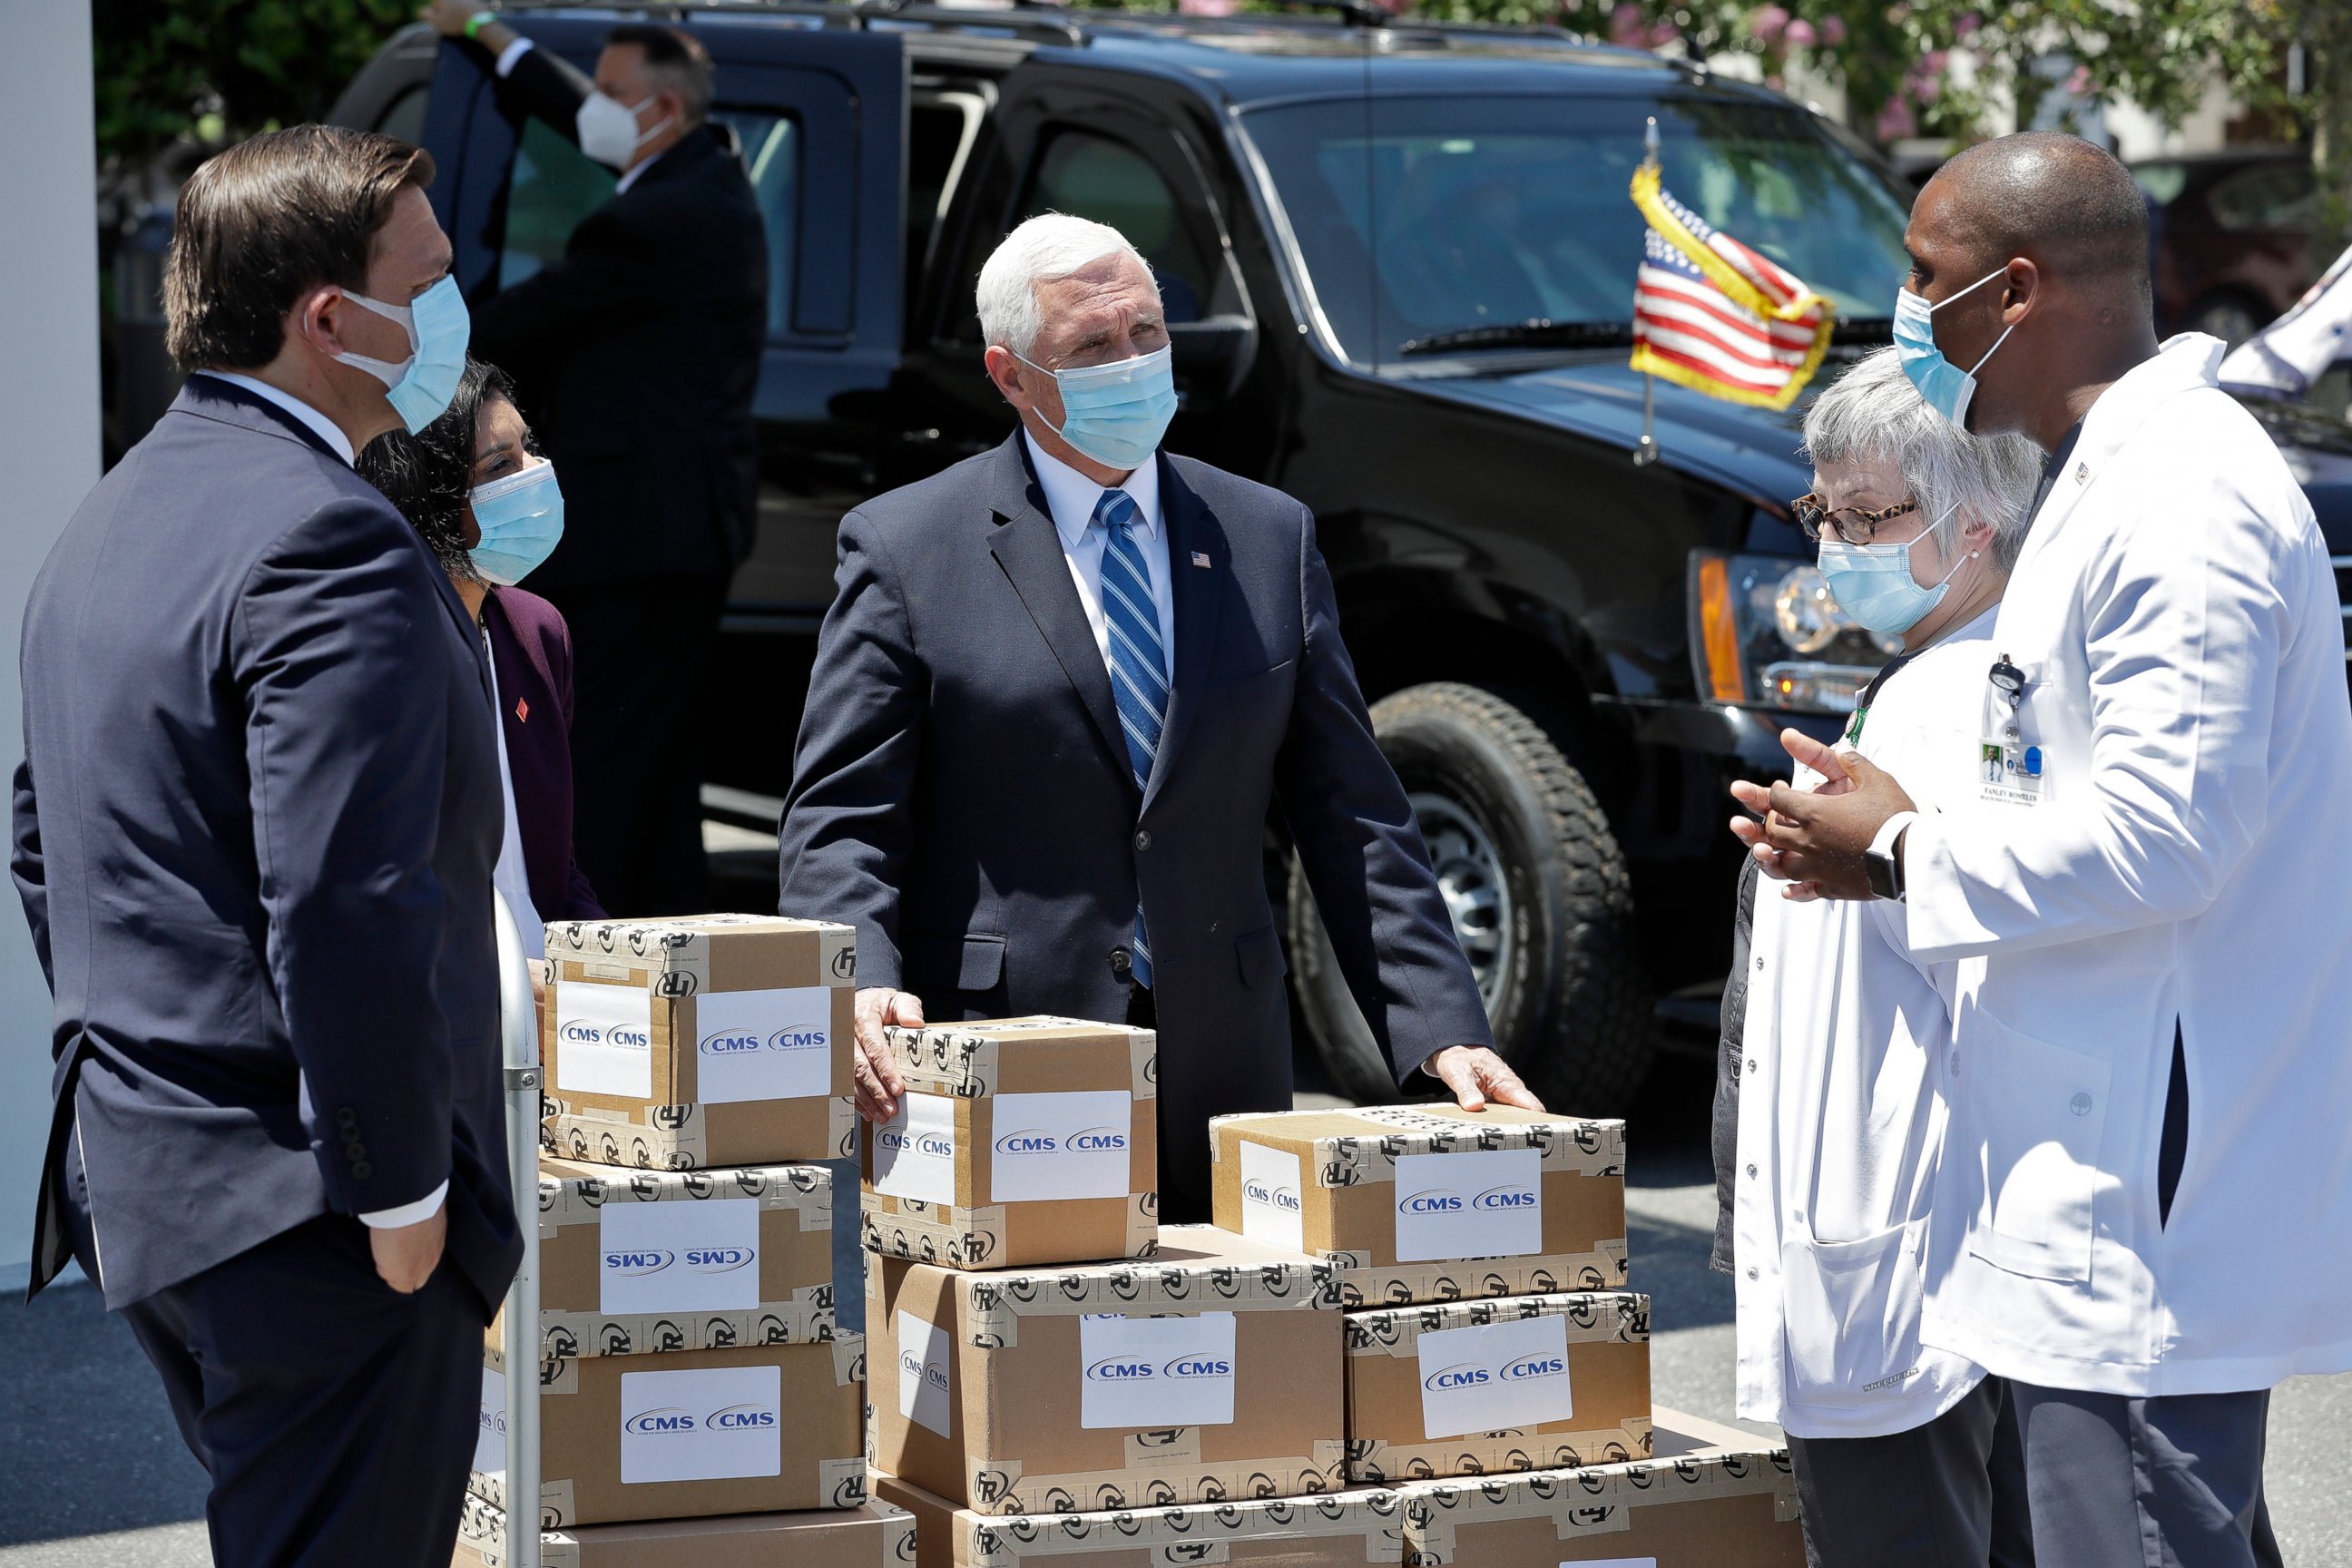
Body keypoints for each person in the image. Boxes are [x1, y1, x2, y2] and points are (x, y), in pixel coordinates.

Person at [1738, 132, 2352, 1567]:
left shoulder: (2183, 500)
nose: (1903, 306)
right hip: (2074, 1184)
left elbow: (2165, 840)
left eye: (1922, 276)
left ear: (2014, 293)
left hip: (2135, 1208)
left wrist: (1896, 849)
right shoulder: (2098, 479)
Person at [776, 214, 1535, 1220]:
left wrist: (1443, 1025)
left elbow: (1351, 809)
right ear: (1011, 377)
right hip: (1002, 1060)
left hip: (1222, 1063)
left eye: (1146, 333)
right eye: (1093, 346)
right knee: (1017, 1372)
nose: (1131, 363)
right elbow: (841, 817)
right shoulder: (909, 547)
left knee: (1224, 1367)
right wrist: (856, 977)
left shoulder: (1266, 536)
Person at [10, 125, 519, 1565]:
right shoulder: (327, 534)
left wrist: (151, 1060)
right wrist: (397, 1191)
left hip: (159, 1185)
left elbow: (45, 841)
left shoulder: (114, 515)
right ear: (327, 320)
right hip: (315, 1212)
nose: (453, 305)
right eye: (425, 280)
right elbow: (345, 897)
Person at [1718, 348, 2042, 1566]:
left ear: (1977, 523)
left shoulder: (1966, 698)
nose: (1837, 542)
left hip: (1910, 1236)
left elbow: (1996, 937)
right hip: (1909, 1241)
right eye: (1825, 513)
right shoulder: (1929, 680)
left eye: (1872, 516)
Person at [424, 0, 769, 915]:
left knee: (615, 770)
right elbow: (580, 110)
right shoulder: (700, 176)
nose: (595, 111)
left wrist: (411, 344)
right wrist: (488, 35)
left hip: (641, 539)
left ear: (661, 109)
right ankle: (671, 953)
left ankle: (609, 964)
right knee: (653, 773)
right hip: (674, 533)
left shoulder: (658, 218)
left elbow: (525, 322)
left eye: (616, 93)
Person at [358, 357, 606, 948]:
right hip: (436, 1011)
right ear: (430, 498)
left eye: (528, 448)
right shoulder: (369, 652)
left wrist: (615, 968)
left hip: (548, 1019)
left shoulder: (536, 632)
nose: (535, 476)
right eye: (500, 466)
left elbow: (551, 862)